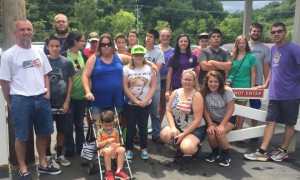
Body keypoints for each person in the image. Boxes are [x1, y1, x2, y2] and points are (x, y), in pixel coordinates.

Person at [0, 19, 61, 179]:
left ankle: (43, 164)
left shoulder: (39, 51)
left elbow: (45, 73)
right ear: (15, 33)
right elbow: (4, 81)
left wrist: (47, 92)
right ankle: (22, 168)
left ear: (33, 31)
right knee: (21, 136)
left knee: (42, 133)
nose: (26, 32)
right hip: (21, 100)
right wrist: (10, 101)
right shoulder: (9, 55)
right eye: (22, 30)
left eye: (29, 29)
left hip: (41, 98)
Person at [244, 22, 300, 162]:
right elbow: (272, 69)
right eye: (274, 32)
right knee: (270, 121)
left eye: (279, 31)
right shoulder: (274, 49)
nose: (276, 34)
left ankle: (283, 150)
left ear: (285, 32)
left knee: (289, 123)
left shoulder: (294, 49)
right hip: (275, 94)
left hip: (291, 94)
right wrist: (265, 84)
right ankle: (262, 151)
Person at [82, 34, 157, 125]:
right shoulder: (93, 59)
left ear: (112, 45)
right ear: (99, 46)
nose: (106, 47)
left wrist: (151, 64)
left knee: (114, 129)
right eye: (103, 44)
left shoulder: (118, 57)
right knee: (98, 128)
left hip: (115, 100)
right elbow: (85, 76)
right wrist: (87, 92)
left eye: (109, 44)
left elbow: (136, 59)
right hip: (98, 100)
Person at [160, 69, 206, 161]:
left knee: (187, 148)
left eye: (190, 80)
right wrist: (173, 127)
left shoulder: (196, 95)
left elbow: (197, 119)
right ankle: (179, 148)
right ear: (181, 80)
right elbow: (168, 111)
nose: (187, 82)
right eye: (185, 79)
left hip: (195, 128)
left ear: (194, 82)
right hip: (179, 125)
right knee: (164, 135)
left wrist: (183, 134)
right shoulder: (175, 92)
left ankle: (195, 149)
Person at [45, 35, 75, 166]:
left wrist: (67, 100)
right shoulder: (43, 61)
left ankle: (59, 154)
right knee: (46, 130)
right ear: (47, 47)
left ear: (60, 46)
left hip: (62, 102)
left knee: (62, 130)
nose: (55, 48)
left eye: (57, 46)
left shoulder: (67, 62)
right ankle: (46, 155)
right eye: (52, 46)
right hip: (46, 103)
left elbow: (70, 81)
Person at [123, 45, 156, 160]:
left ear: (144, 56)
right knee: (131, 126)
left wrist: (146, 101)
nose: (139, 57)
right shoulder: (126, 69)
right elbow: (125, 87)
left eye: (141, 55)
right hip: (130, 104)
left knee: (143, 126)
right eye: (136, 55)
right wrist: (135, 100)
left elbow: (153, 86)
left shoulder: (149, 68)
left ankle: (144, 148)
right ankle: (129, 149)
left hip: (146, 103)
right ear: (132, 56)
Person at [201, 71, 236, 167]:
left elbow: (231, 109)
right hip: (213, 119)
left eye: (216, 81)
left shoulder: (227, 92)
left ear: (220, 82)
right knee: (211, 132)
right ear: (207, 82)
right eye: (210, 81)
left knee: (220, 133)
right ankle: (215, 153)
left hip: (228, 119)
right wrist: (210, 124)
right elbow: (205, 110)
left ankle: (225, 155)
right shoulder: (204, 92)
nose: (213, 84)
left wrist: (222, 125)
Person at [62, 31, 88, 157]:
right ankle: (69, 149)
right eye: (82, 41)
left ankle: (81, 147)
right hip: (69, 97)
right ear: (75, 42)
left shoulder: (83, 55)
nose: (84, 43)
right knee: (68, 125)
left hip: (82, 96)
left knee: (79, 124)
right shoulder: (64, 56)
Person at [227, 35, 256, 134]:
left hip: (244, 85)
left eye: (243, 43)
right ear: (236, 44)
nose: (241, 45)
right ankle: (231, 130)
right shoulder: (231, 56)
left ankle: (239, 131)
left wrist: (252, 87)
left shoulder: (251, 57)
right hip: (232, 84)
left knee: (242, 111)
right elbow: (227, 71)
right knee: (232, 110)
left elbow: (253, 73)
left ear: (246, 44)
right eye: (239, 43)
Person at [248, 23, 271, 130]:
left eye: (258, 31)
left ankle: (253, 130)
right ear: (250, 32)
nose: (255, 33)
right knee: (239, 108)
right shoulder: (243, 45)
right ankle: (238, 129)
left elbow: (266, 67)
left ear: (261, 33)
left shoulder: (265, 49)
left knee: (255, 108)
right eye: (254, 31)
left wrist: (266, 83)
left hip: (257, 83)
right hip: (241, 82)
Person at [144, 29, 165, 143]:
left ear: (155, 39)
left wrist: (145, 63)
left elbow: (157, 69)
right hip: (141, 86)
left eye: (151, 37)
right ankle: (139, 133)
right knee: (141, 111)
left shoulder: (159, 53)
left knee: (154, 112)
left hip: (155, 86)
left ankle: (156, 134)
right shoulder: (140, 50)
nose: (148, 38)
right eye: (147, 36)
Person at [97, 110, 129, 180]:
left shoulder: (116, 131)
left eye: (111, 125)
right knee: (108, 151)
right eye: (106, 125)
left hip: (114, 149)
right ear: (101, 123)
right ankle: (109, 172)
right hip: (104, 150)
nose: (109, 127)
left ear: (113, 123)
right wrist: (107, 141)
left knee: (122, 149)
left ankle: (119, 171)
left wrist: (116, 145)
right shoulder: (100, 132)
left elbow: (119, 143)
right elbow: (98, 145)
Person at [165, 34, 198, 100]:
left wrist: (196, 87)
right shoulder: (173, 57)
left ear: (188, 43)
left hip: (190, 86)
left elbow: (195, 73)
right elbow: (169, 74)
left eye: (185, 41)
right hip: (176, 86)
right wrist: (167, 90)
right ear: (178, 43)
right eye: (181, 41)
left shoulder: (193, 56)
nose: (183, 43)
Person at [154, 28, 174, 122]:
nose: (165, 38)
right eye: (162, 36)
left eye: (167, 36)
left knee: (162, 103)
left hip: (165, 79)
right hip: (154, 78)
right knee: (153, 103)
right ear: (159, 37)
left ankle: (158, 123)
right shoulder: (154, 48)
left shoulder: (173, 51)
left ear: (170, 37)